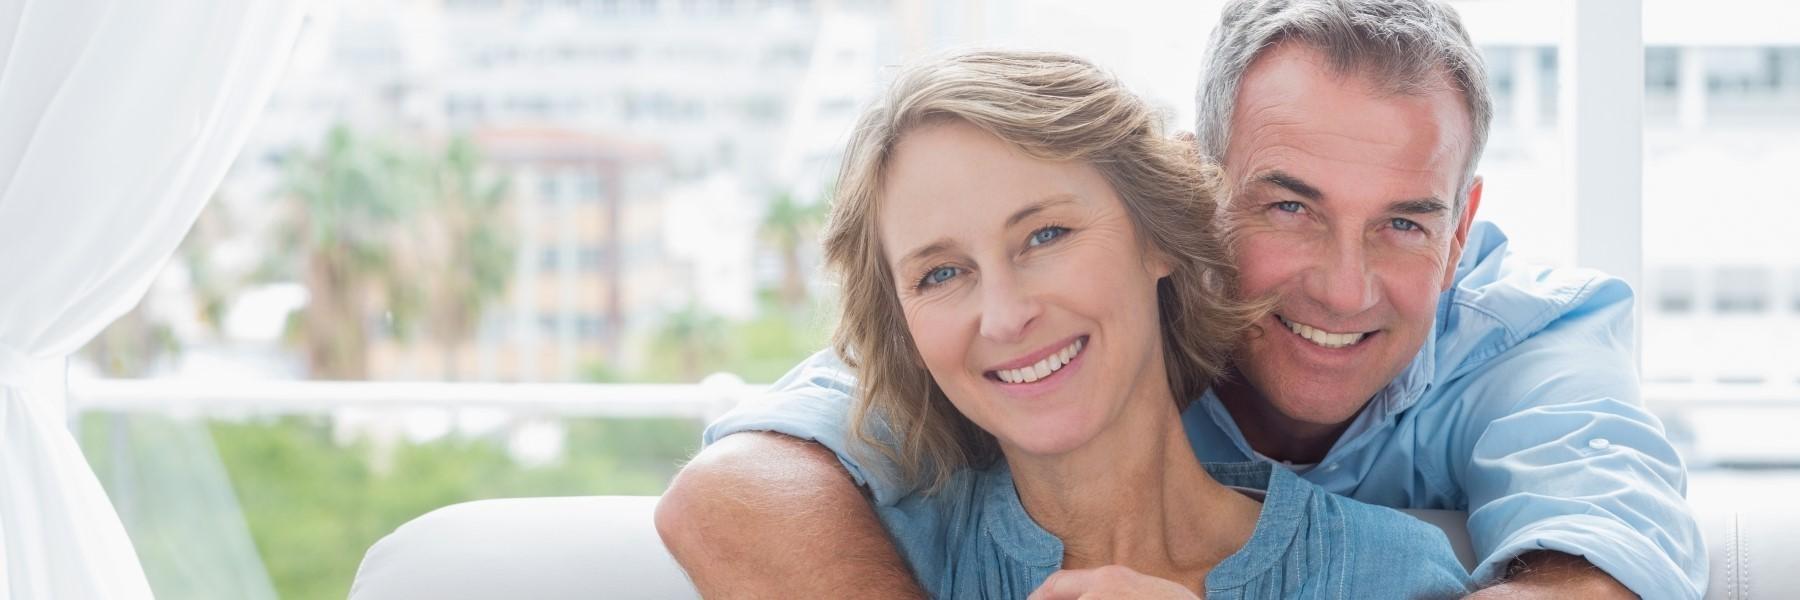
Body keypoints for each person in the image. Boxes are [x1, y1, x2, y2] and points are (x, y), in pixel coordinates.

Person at [656, 1, 1706, 598]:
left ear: (1462, 227)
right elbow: (740, 482)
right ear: (1198, 197)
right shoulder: (1016, 355)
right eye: (1290, 208)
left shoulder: (1525, 352)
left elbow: (1603, 572)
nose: (1343, 285)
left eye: (1403, 222)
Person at [809, 48, 1471, 598]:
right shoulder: (864, 562)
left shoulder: (1392, 575)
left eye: (1046, 235)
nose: (1007, 317)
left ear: (1159, 236)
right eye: (942, 274)